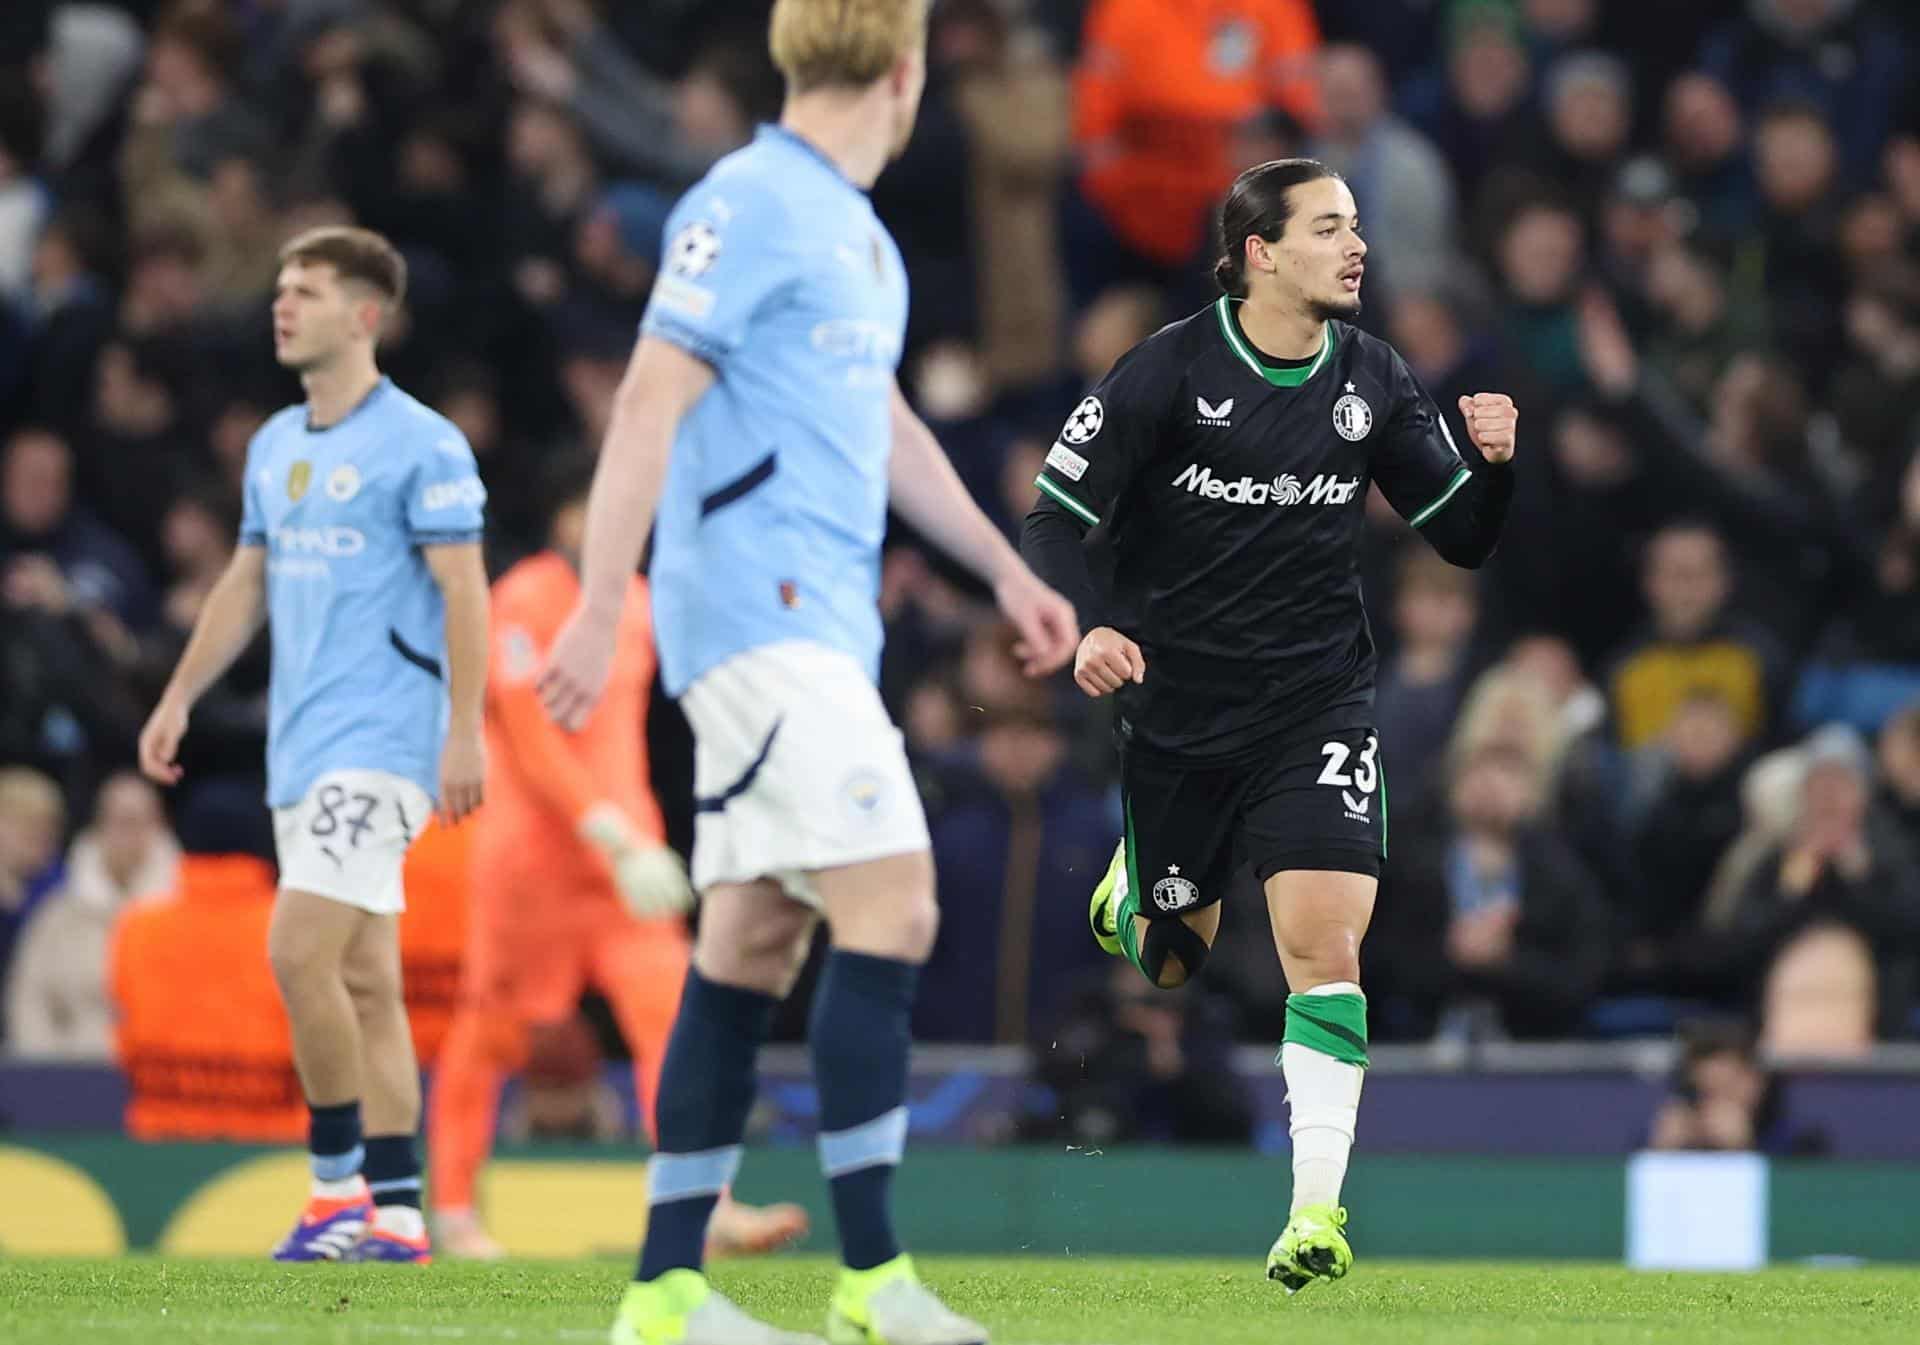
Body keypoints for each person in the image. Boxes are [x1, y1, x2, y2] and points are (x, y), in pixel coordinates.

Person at [535, 3, 1079, 1342]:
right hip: (757, 615)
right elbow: (649, 399)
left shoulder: (861, 241)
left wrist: (1003, 570)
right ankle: (876, 1280)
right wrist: (604, 607)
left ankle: (666, 1292)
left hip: (820, 621)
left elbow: (881, 427)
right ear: (901, 79)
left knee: (751, 942)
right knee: (893, 902)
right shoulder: (744, 201)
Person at [1018, 158, 1518, 1292]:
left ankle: (1314, 1211)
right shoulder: (1167, 371)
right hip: (1182, 716)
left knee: (1323, 948)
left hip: (1317, 702)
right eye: (1331, 227)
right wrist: (1089, 628)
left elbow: (1463, 538)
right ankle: (1135, 883)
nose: (1358, 247)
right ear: (1261, 253)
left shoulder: (1373, 378)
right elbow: (1054, 518)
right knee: (1170, 958)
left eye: (1358, 226)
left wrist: (1493, 469)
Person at [136, 225, 490, 1264]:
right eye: (282, 287)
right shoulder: (277, 446)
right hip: (300, 748)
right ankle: (400, 1212)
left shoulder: (423, 444)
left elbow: (463, 587)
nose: (282, 304)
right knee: (369, 980)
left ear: (366, 315)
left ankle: (333, 1188)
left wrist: (462, 728)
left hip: (379, 741)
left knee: (296, 949)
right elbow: (246, 582)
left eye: (308, 290)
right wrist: (179, 694)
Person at [428, 456, 806, 1263]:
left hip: (624, 870)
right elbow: (528, 732)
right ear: (566, 516)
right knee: (491, 1032)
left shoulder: (638, 603)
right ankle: (455, 1210)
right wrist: (608, 827)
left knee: (675, 1022)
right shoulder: (524, 598)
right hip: (534, 865)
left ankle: (708, 1202)